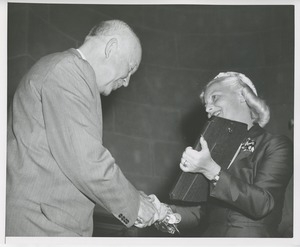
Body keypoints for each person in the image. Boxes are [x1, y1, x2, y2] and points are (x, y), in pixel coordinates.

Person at [6, 19, 168, 237]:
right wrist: (135, 204)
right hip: (40, 225)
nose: (127, 82)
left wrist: (133, 197)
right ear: (111, 48)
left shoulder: (66, 71)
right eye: (130, 69)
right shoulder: (68, 70)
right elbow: (86, 160)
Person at [170, 72, 293, 237]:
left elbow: (262, 203)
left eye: (215, 98)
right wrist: (163, 213)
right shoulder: (212, 154)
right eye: (205, 104)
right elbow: (201, 213)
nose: (208, 109)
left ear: (242, 95)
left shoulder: (274, 144)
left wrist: (212, 170)